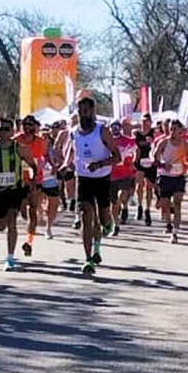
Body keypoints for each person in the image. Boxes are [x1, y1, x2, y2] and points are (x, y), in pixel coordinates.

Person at [62, 97, 121, 275]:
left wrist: (99, 164)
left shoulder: (102, 131)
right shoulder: (74, 132)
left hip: (102, 179)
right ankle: (88, 259)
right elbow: (71, 153)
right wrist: (65, 166)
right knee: (86, 217)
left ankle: (108, 224)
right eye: (80, 111)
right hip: (83, 179)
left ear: (93, 111)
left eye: (86, 111)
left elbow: (117, 157)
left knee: (102, 218)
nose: (83, 114)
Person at [0, 117, 37, 271]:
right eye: (0, 129)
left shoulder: (20, 148)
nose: (3, 132)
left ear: (12, 131)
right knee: (0, 225)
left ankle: (10, 258)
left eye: (6, 129)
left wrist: (32, 180)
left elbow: (32, 165)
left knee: (12, 221)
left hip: (15, 189)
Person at [153, 120, 188, 243]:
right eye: (171, 129)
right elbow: (154, 157)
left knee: (177, 203)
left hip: (179, 177)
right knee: (166, 204)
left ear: (180, 130)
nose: (172, 131)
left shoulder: (185, 145)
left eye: (175, 129)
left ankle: (175, 233)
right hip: (165, 177)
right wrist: (163, 164)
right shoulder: (164, 142)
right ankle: (168, 223)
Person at [15, 115, 48, 256]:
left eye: (30, 124)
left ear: (35, 126)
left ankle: (29, 242)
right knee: (23, 210)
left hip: (36, 181)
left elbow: (42, 158)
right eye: (25, 124)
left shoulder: (40, 142)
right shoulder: (16, 140)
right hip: (20, 181)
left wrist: (36, 176)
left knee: (33, 212)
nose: (28, 127)